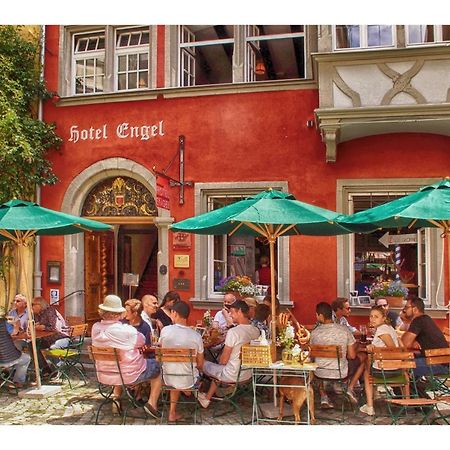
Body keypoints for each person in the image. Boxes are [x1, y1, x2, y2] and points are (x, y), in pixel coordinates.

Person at [91, 294, 162, 419]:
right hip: (127, 374)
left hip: (103, 374)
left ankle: (116, 398)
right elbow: (142, 340)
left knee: (119, 365)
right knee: (157, 367)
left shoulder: (95, 328)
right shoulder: (123, 330)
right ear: (117, 314)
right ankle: (152, 404)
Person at [197, 300, 260, 408]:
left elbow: (223, 361)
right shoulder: (256, 331)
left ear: (239, 311)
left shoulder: (234, 332)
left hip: (231, 374)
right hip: (247, 373)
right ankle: (208, 397)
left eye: (232, 312)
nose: (230, 315)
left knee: (200, 362)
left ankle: (194, 390)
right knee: (217, 368)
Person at [159, 301, 204, 422]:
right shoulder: (196, 336)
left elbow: (161, 350)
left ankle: (172, 412)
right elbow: (200, 364)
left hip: (168, 377)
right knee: (186, 373)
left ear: (174, 313)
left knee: (175, 372)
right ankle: (188, 391)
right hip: (188, 379)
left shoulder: (165, 331)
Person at [310, 302, 357, 409]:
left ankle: (323, 396)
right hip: (340, 372)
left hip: (319, 373)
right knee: (359, 360)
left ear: (320, 316)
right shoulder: (344, 330)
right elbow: (352, 355)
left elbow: (311, 355)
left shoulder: (314, 333)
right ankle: (348, 388)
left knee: (315, 363)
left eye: (316, 315)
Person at [358, 305, 401, 416]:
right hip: (396, 368)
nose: (372, 319)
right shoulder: (388, 328)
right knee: (367, 364)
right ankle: (375, 394)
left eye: (376, 316)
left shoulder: (382, 330)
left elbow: (392, 350)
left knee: (367, 374)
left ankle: (370, 406)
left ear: (383, 318)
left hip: (386, 370)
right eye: (371, 316)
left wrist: (373, 349)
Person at [401, 296, 449, 378]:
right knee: (405, 361)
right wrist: (413, 341)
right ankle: (418, 389)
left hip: (438, 364)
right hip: (441, 361)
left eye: (406, 307)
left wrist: (405, 320)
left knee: (400, 366)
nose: (404, 310)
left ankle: (415, 390)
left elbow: (404, 343)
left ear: (415, 309)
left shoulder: (419, 320)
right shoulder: (425, 319)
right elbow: (408, 342)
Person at [0, 312, 31, 389]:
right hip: (6, 359)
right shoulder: (3, 323)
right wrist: (16, 324)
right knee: (26, 358)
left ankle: (4, 375)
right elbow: (14, 333)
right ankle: (18, 382)